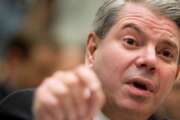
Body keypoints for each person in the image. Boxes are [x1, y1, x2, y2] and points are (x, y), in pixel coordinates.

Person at [0, 0, 180, 120]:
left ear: (175, 76)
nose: (150, 60)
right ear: (92, 50)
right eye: (131, 42)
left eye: (166, 53)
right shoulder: (31, 111)